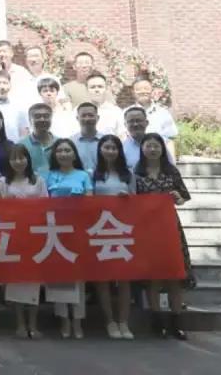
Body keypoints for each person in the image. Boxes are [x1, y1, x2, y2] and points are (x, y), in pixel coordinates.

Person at [135, 132, 193, 340]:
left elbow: (184, 197)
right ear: (142, 149)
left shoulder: (171, 171)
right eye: (148, 146)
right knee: (153, 277)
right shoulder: (136, 174)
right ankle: (157, 321)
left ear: (162, 149)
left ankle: (177, 322)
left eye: (156, 146)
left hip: (171, 228)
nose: (152, 149)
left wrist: (178, 197)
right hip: (148, 230)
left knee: (174, 276)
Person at [44, 138, 92, 338]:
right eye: (60, 151)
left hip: (78, 230)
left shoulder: (83, 175)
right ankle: (64, 320)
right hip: (55, 231)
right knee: (59, 277)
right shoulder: (48, 176)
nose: (63, 154)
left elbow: (90, 200)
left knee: (78, 278)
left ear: (74, 154)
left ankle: (78, 321)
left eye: (67, 150)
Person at [0, 143, 47, 339]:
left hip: (34, 236)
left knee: (33, 281)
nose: (18, 162)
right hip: (13, 236)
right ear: (9, 162)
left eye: (22, 157)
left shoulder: (38, 181)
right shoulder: (3, 182)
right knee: (16, 281)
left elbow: (46, 206)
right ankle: (19, 323)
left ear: (28, 159)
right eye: (14, 158)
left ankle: (33, 324)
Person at [92, 134, 137, 340]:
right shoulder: (93, 174)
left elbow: (137, 201)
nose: (110, 151)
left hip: (122, 230)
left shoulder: (128, 174)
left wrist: (128, 199)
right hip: (100, 230)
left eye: (113, 148)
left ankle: (123, 321)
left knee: (124, 279)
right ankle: (109, 321)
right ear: (100, 150)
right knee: (103, 279)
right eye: (106, 147)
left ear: (119, 151)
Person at [126, 76, 179, 158]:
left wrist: (172, 162)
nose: (143, 91)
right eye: (138, 89)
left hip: (158, 159)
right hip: (133, 158)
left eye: (146, 88)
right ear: (133, 92)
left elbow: (169, 140)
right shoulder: (126, 113)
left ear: (152, 90)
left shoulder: (163, 113)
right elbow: (122, 138)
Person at [122, 105, 177, 169]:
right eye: (131, 121)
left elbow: (171, 169)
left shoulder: (159, 145)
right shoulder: (122, 148)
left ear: (147, 123)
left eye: (139, 120)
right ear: (125, 125)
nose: (135, 124)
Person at [18, 102, 60, 178]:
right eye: (37, 116)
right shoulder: (21, 145)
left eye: (46, 116)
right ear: (30, 120)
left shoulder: (60, 143)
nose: (42, 119)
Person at [71, 102, 103, 174]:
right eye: (83, 115)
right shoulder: (71, 142)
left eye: (91, 115)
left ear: (97, 118)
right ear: (77, 118)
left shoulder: (105, 141)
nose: (87, 119)